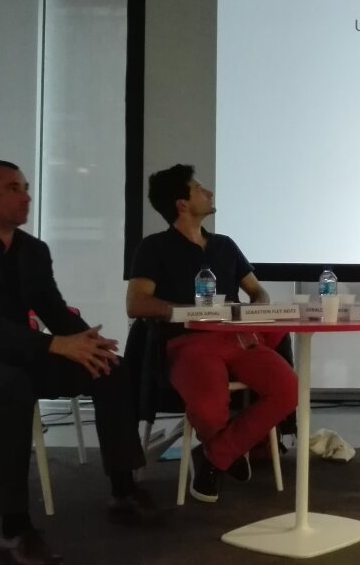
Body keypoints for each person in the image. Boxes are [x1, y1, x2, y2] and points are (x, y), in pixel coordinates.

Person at [0, 160, 160, 565]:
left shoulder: (32, 250)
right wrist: (55, 345)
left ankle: (124, 490)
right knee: (11, 385)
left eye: (26, 187)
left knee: (109, 367)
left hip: (16, 356)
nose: (27, 196)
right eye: (13, 188)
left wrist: (89, 342)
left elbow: (53, 309)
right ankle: (14, 529)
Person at [126, 164, 297, 503]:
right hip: (189, 343)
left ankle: (215, 455)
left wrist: (254, 309)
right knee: (208, 411)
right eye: (200, 189)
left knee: (288, 388)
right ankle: (227, 452)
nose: (209, 193)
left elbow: (257, 292)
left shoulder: (225, 246)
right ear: (182, 204)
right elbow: (137, 303)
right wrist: (187, 311)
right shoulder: (154, 247)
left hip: (238, 339)